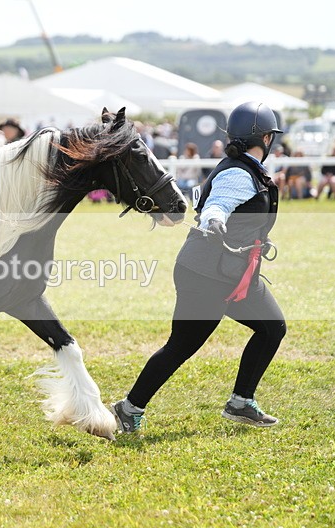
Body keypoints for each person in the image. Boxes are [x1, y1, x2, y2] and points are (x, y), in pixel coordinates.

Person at [111, 101, 287, 433]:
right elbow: (218, 205)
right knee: (183, 345)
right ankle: (128, 409)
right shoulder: (238, 172)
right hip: (206, 274)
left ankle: (240, 402)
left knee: (271, 328)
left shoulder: (246, 167)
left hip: (233, 272)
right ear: (266, 138)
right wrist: (215, 219)